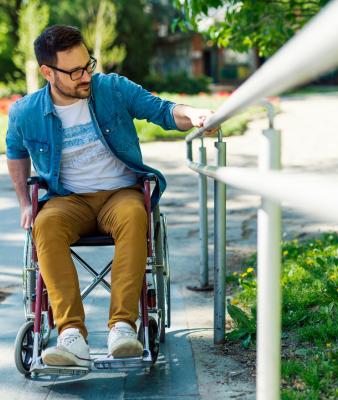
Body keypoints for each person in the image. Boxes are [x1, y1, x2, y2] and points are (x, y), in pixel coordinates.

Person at [6, 25, 214, 368]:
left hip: (120, 194)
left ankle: (122, 327)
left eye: (88, 65)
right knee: (45, 225)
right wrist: (25, 204)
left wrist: (193, 115)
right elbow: (15, 152)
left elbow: (161, 110)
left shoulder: (112, 89)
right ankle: (71, 335)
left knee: (135, 215)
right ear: (47, 72)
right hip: (67, 199)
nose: (85, 75)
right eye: (74, 71)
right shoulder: (26, 112)